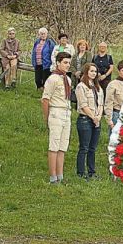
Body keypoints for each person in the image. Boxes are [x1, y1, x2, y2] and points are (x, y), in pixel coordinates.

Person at [41, 52, 73, 184]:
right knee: (54, 145)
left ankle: (60, 175)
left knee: (62, 145)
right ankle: (52, 176)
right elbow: (45, 99)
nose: (67, 65)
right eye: (65, 62)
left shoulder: (67, 79)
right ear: (58, 63)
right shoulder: (53, 79)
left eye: (69, 63)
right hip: (56, 111)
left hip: (66, 112)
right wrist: (47, 117)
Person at [75, 63, 103, 180]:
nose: (93, 73)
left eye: (95, 72)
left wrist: (99, 117)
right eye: (91, 71)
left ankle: (92, 171)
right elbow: (83, 105)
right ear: (86, 72)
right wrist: (93, 117)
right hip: (85, 119)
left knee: (93, 148)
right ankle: (81, 172)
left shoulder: (98, 87)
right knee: (84, 147)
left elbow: (101, 103)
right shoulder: (81, 86)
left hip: (96, 120)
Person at [104, 60, 123, 129]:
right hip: (117, 114)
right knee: (115, 138)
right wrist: (110, 121)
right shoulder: (112, 84)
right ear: (119, 71)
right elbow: (108, 103)